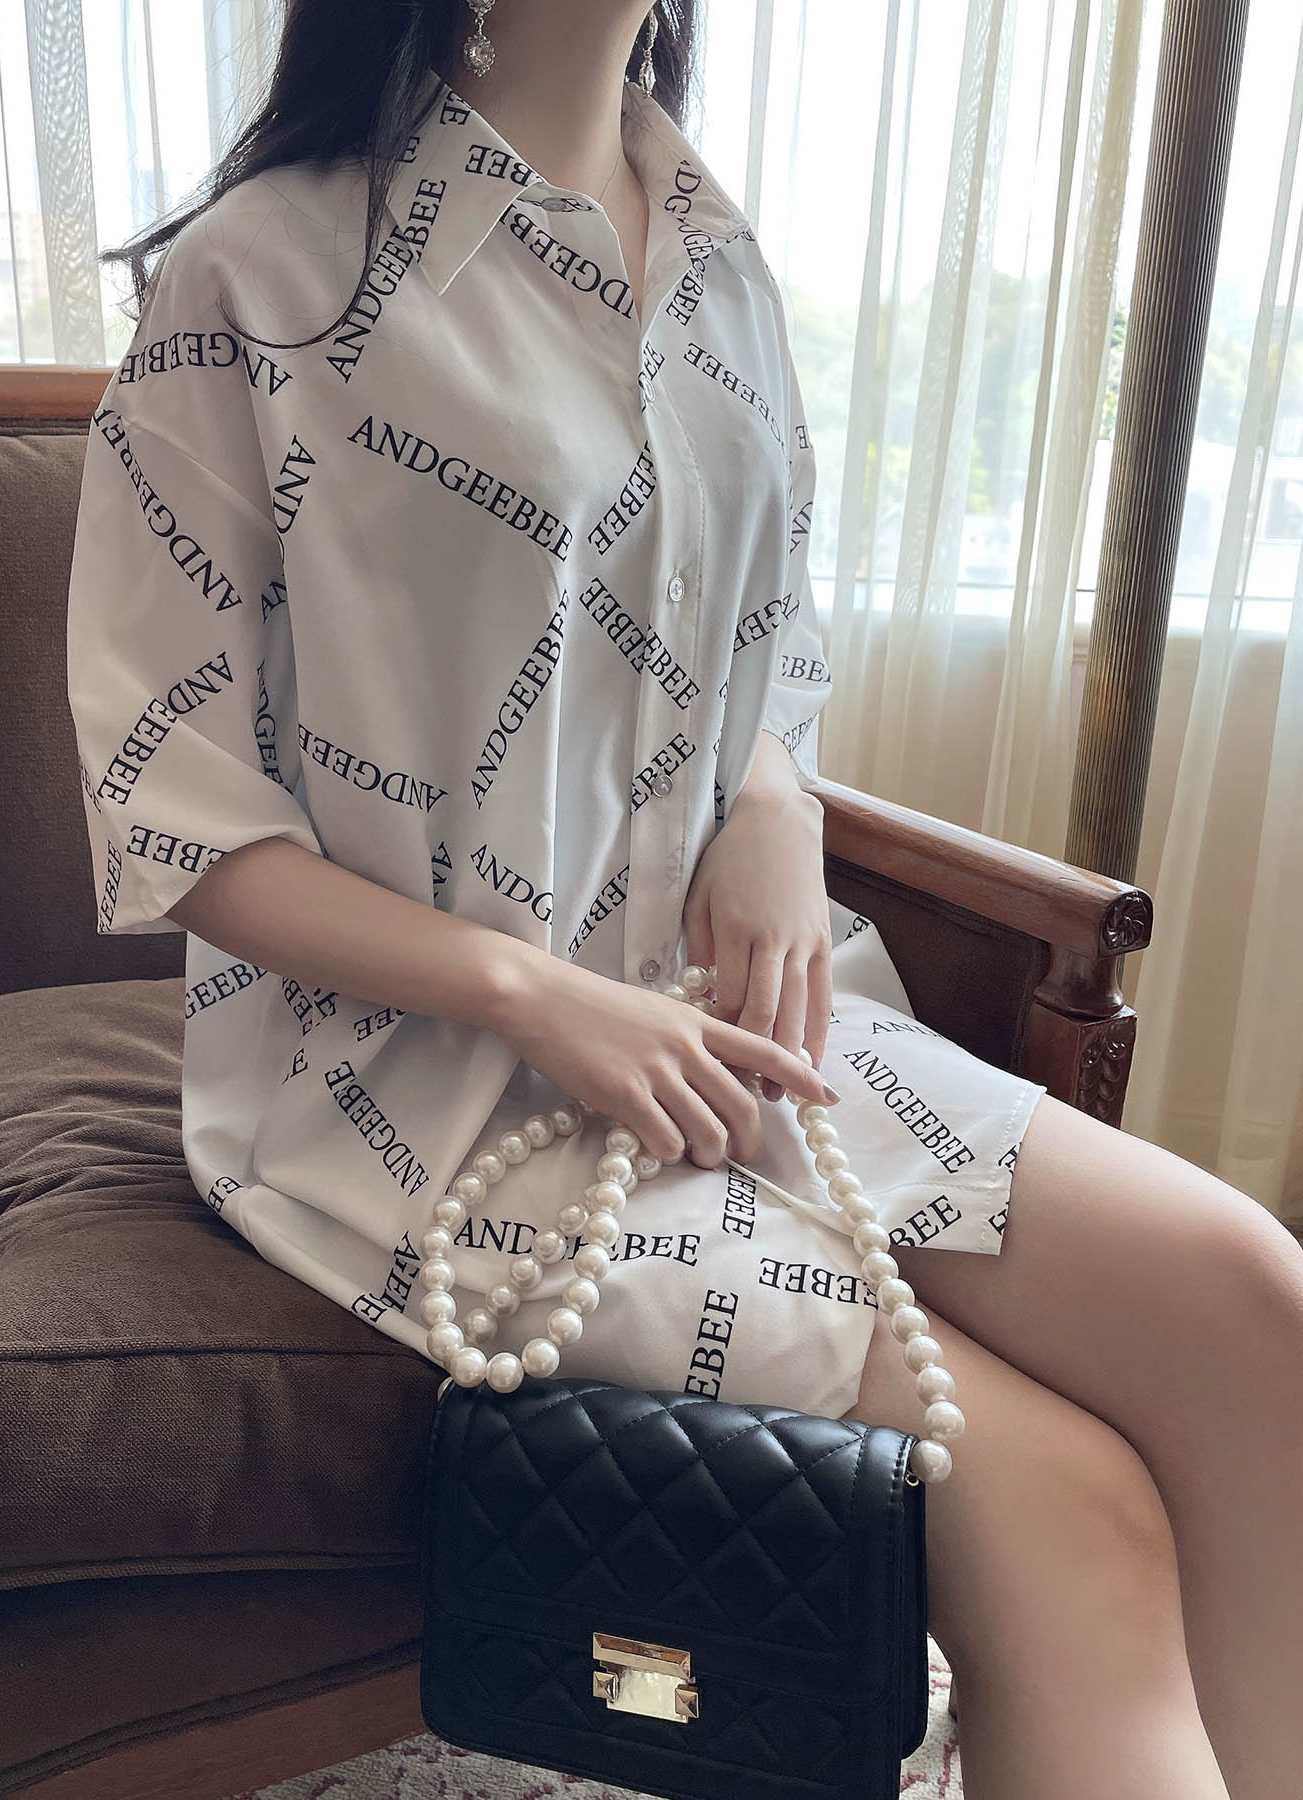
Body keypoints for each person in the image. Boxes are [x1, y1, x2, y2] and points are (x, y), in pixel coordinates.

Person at [64, 3, 1303, 1794]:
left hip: (741, 1028)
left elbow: (766, 658)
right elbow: (177, 817)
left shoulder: (721, 255)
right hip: (424, 1092)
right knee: (1066, 1513)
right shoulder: (260, 279)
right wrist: (535, 993)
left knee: (1252, 1303)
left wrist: (777, 811)